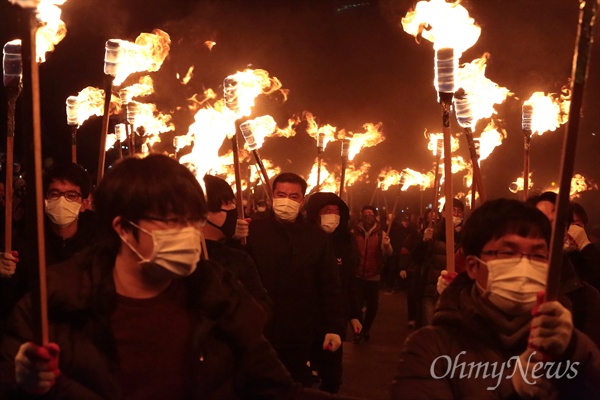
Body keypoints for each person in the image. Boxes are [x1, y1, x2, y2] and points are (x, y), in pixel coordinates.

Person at [0, 155, 332, 399]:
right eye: (171, 221)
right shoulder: (54, 304)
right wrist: (24, 381)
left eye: (193, 220)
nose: (187, 234)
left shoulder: (220, 299)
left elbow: (275, 389)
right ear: (125, 229)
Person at [392, 198, 600, 398]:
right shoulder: (431, 348)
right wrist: (513, 391)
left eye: (537, 255)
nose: (523, 265)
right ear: (473, 266)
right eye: (507, 253)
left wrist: (572, 351)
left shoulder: (573, 344)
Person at [247, 172, 345, 387]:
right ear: (273, 196)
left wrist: (334, 327)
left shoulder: (316, 237)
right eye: (282, 194)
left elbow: (328, 283)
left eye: (294, 197)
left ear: (302, 200)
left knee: (292, 386)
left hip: (299, 332)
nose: (287, 201)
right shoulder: (253, 230)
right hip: (259, 330)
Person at [0, 163, 97, 336]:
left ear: (84, 203)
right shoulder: (23, 241)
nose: (61, 201)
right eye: (54, 194)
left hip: (83, 335)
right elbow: (10, 303)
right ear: (44, 200)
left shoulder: (99, 243)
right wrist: (4, 275)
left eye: (71, 195)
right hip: (35, 333)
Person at [305, 192, 362, 393]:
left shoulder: (345, 242)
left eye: (337, 212)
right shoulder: (304, 240)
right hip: (306, 320)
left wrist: (354, 314)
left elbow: (349, 283)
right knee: (303, 380)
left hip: (333, 321)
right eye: (327, 211)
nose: (333, 216)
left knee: (331, 379)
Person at [203, 174, 272, 314]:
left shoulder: (238, 258)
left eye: (234, 203)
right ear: (204, 211)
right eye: (228, 203)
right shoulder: (183, 259)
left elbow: (263, 308)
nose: (235, 209)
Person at [351, 205, 392, 344]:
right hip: (357, 275)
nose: (368, 216)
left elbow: (388, 253)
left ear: (375, 216)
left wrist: (386, 245)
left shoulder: (381, 233)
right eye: (366, 214)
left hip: (373, 275)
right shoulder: (354, 232)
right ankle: (359, 330)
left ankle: (366, 328)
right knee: (356, 306)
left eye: (371, 214)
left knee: (373, 306)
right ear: (361, 215)